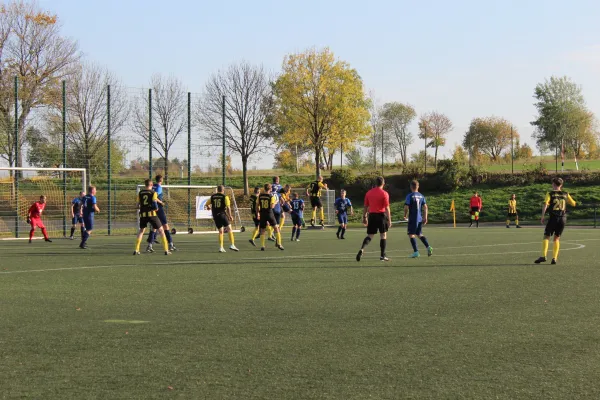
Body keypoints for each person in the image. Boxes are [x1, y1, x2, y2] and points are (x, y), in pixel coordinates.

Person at [534, 177, 576, 265]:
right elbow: (574, 203)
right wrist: (566, 201)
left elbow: (545, 204)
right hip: (563, 219)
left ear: (553, 184)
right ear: (561, 185)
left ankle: (543, 256)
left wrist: (542, 216)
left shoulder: (550, 193)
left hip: (553, 218)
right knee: (557, 238)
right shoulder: (565, 194)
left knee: (546, 236)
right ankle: (554, 258)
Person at [356, 176, 391, 262]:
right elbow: (387, 208)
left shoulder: (369, 193)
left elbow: (365, 206)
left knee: (370, 235)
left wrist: (364, 217)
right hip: (381, 216)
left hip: (372, 215)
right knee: (383, 235)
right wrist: (389, 220)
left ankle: (362, 249)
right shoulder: (384, 193)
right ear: (383, 183)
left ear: (376, 183)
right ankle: (382, 256)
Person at [133, 179, 171, 255]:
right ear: (151, 185)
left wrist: (143, 207)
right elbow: (155, 204)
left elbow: (137, 206)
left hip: (143, 215)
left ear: (145, 184)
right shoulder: (153, 193)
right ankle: (166, 250)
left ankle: (136, 250)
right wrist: (156, 208)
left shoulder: (140, 193)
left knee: (141, 231)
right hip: (152, 214)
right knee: (161, 230)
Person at [146, 175, 176, 253]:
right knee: (165, 226)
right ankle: (171, 244)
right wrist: (161, 202)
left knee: (155, 227)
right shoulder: (159, 187)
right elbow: (154, 197)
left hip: (151, 208)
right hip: (158, 208)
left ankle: (150, 245)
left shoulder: (153, 186)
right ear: (161, 180)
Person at [404, 180, 433, 258]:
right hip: (419, 219)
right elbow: (425, 207)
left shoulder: (409, 196)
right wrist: (425, 217)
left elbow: (406, 207)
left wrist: (405, 215)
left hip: (413, 218)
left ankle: (416, 252)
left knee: (411, 234)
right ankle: (428, 247)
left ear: (411, 187)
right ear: (418, 187)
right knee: (419, 234)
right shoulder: (421, 196)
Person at [206, 185, 239, 253]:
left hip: (215, 216)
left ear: (217, 190)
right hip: (222, 215)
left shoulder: (213, 196)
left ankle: (221, 247)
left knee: (221, 231)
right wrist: (230, 216)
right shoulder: (225, 197)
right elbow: (228, 207)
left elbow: (207, 204)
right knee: (229, 229)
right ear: (223, 190)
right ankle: (232, 245)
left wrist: (209, 207)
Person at [257, 183, 284, 251]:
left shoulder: (260, 196)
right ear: (270, 189)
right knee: (276, 228)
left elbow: (257, 205)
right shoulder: (271, 196)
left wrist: (258, 213)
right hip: (269, 213)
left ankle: (262, 246)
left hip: (262, 214)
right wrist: (275, 202)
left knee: (262, 230)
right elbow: (272, 206)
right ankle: (279, 244)